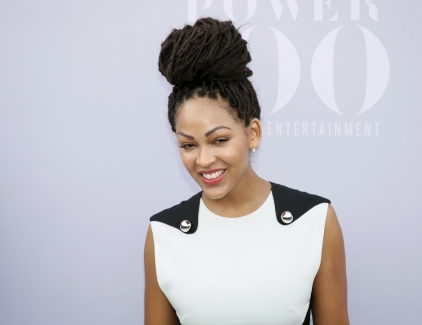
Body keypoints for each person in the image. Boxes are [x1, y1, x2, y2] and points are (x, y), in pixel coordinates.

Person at [144, 17, 350, 325]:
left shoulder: (315, 220)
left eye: (219, 140)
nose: (203, 160)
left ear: (252, 133)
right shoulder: (164, 234)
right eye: (188, 145)